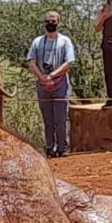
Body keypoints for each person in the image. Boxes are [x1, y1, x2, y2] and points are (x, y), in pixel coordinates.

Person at [27, 11, 76, 158]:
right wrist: (42, 77)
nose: (50, 23)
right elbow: (31, 62)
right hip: (42, 85)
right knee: (47, 119)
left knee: (60, 118)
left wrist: (53, 75)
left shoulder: (65, 41)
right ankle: (50, 148)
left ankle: (63, 147)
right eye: (48, 21)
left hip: (60, 84)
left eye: (53, 21)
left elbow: (69, 62)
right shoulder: (37, 42)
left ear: (58, 23)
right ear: (44, 23)